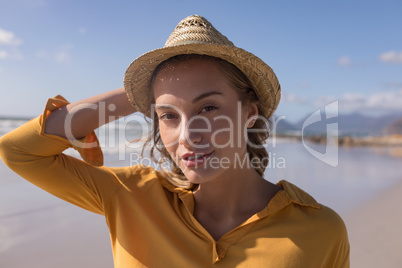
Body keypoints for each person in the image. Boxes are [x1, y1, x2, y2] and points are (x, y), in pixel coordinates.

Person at [0, 15, 349, 267]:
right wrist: (145, 91)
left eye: (208, 107)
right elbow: (18, 151)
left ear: (249, 113)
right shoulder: (133, 197)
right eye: (168, 116)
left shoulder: (320, 230)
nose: (187, 136)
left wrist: (165, 90)